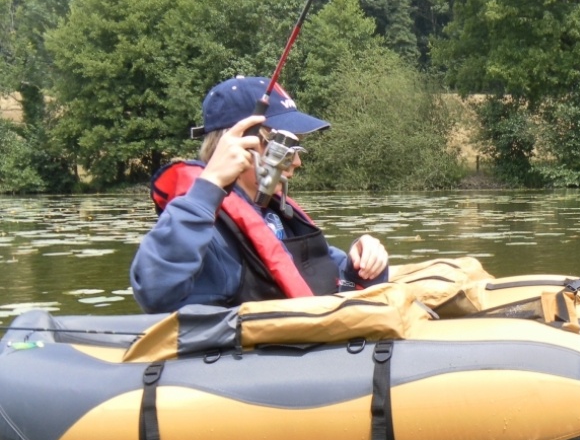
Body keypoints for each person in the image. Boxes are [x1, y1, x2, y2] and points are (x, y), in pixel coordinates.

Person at [130, 75, 389, 313]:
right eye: (285, 147)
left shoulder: (273, 213)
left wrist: (363, 258)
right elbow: (154, 291)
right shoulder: (206, 227)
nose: (297, 161)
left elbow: (330, 271)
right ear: (240, 144)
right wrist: (211, 184)